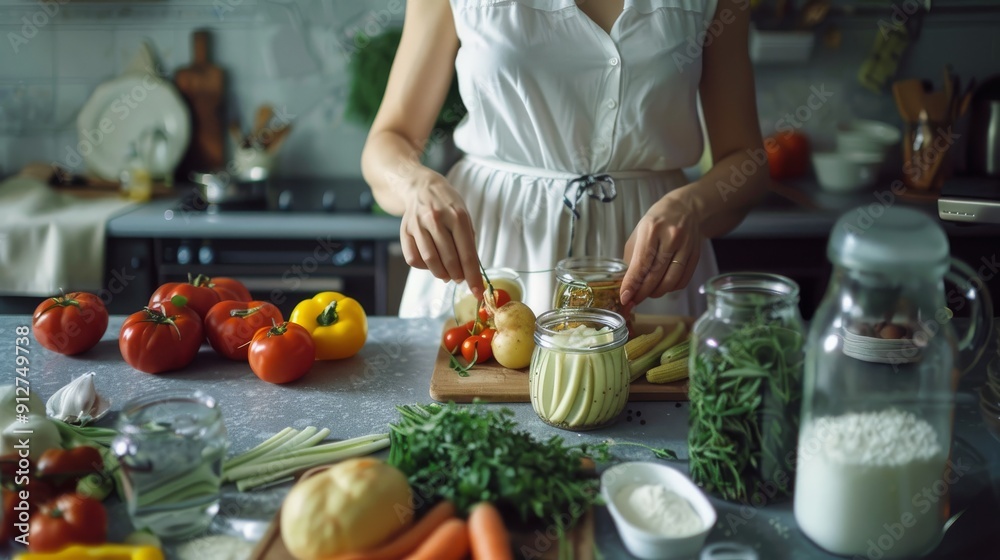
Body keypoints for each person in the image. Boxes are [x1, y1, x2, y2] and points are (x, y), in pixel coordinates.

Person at [362, 0, 768, 320]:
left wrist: (692, 206)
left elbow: (747, 161)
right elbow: (388, 140)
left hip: (650, 268)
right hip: (491, 257)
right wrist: (416, 185)